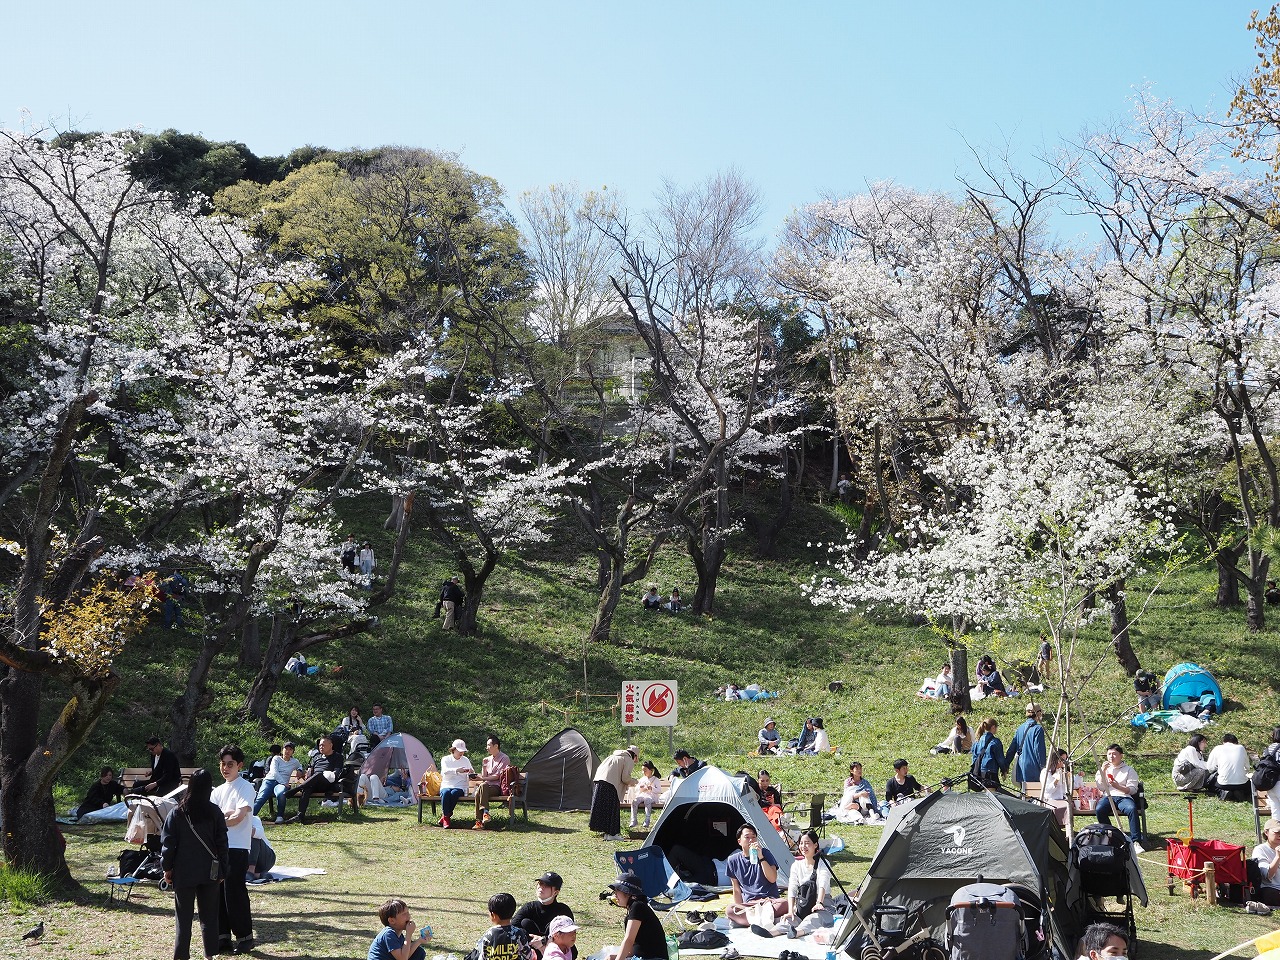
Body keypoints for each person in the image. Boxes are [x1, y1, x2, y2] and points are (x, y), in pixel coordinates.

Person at [161, 768, 229, 960]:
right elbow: (222, 843)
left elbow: (168, 844)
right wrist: (224, 869)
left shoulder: (177, 813)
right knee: (209, 918)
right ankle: (211, 955)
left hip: (184, 872)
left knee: (183, 919)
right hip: (210, 871)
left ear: (189, 786)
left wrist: (167, 868)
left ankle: (181, 956)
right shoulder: (215, 812)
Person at [212, 745, 255, 956]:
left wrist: (224, 817)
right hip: (217, 848)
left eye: (230, 764)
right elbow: (212, 820)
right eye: (223, 764)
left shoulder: (246, 787)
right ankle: (222, 938)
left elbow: (238, 817)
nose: (225, 768)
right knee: (217, 892)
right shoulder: (217, 791)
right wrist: (225, 816)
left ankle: (245, 938)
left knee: (234, 892)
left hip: (237, 847)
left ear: (239, 765)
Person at [755, 829, 833, 938]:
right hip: (804, 905)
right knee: (789, 919)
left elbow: (823, 883)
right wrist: (790, 910)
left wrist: (819, 902)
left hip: (823, 905)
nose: (803, 846)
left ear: (815, 845)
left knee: (811, 919)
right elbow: (792, 887)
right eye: (801, 843)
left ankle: (797, 932)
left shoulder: (823, 863)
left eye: (807, 843)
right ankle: (771, 933)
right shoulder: (796, 865)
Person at [725, 823, 786, 928]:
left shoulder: (765, 853)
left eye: (754, 837)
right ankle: (765, 920)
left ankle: (753, 920)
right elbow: (736, 889)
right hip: (750, 905)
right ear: (739, 841)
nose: (751, 840)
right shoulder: (733, 860)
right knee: (730, 910)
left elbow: (772, 879)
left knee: (785, 903)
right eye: (747, 837)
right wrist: (740, 907)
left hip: (769, 901)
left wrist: (761, 857)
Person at [281, 735, 342, 824]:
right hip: (314, 783)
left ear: (331, 745)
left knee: (319, 775)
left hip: (327, 784)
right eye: (320, 745)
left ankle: (298, 788)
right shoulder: (316, 757)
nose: (321, 747)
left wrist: (328, 774)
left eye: (323, 745)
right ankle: (300, 816)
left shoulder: (337, 757)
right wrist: (308, 772)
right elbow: (310, 770)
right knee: (307, 789)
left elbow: (336, 773)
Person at [512, 871, 575, 957]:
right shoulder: (529, 907)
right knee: (525, 923)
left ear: (555, 892)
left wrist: (544, 941)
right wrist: (533, 940)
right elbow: (512, 927)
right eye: (540, 883)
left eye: (547, 885)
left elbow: (569, 935)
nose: (541, 887)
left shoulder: (563, 911)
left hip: (556, 953)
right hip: (531, 951)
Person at [605, 873, 666, 960]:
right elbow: (631, 951)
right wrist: (614, 957)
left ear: (628, 893)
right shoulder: (634, 909)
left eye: (617, 890)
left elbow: (629, 940)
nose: (614, 894)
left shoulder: (637, 907)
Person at [1095, 743, 1143, 851]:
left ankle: (1136, 841)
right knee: (1099, 809)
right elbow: (1101, 787)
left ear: (1121, 755)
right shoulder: (1103, 769)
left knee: (1131, 809)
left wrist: (1118, 786)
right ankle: (1109, 837)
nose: (1111, 756)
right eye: (1109, 754)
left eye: (1114, 754)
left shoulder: (1129, 770)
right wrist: (1102, 771)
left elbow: (1132, 789)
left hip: (1123, 797)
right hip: (1108, 796)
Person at [589, 746, 637, 841]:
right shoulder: (627, 759)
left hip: (599, 782)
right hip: (611, 784)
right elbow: (625, 778)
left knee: (604, 808)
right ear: (634, 755)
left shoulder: (611, 756)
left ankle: (607, 833)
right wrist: (634, 781)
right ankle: (612, 833)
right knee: (612, 809)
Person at [469, 892, 533, 960]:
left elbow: (482, 957)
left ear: (493, 915)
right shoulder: (518, 933)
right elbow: (528, 955)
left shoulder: (489, 934)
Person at [253, 741, 302, 822]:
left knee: (281, 793)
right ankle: (250, 817)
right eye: (286, 749)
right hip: (269, 781)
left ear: (293, 752)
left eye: (290, 749)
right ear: (282, 750)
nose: (287, 751)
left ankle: (280, 816)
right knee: (261, 798)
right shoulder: (276, 758)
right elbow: (274, 772)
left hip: (281, 784)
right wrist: (284, 783)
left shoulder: (294, 761)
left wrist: (299, 770)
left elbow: (300, 765)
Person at [1005, 704, 1048, 787]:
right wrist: (1043, 768)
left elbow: (1011, 749)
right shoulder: (1038, 729)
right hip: (1033, 768)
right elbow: (1039, 750)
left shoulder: (1020, 728)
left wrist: (1006, 765)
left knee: (1024, 794)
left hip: (1020, 767)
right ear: (1038, 714)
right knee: (1034, 795)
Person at [474, 735, 512, 830]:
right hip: (485, 787)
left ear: (496, 746)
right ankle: (483, 817)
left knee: (482, 787)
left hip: (496, 787)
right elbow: (484, 776)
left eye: (489, 745)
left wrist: (484, 778)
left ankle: (482, 817)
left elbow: (498, 776)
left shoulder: (504, 758)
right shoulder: (488, 759)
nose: (487, 748)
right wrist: (483, 766)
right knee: (479, 791)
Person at [439, 739, 476, 829]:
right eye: (459, 751)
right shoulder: (445, 759)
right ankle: (447, 817)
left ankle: (445, 816)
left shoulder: (465, 760)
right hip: (447, 784)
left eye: (463, 751)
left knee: (454, 793)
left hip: (460, 786)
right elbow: (444, 771)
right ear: (453, 750)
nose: (461, 753)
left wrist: (471, 772)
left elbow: (471, 772)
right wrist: (456, 770)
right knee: (446, 792)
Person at [1207, 733, 1252, 801]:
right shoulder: (1241, 748)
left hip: (1223, 784)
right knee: (1248, 785)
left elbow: (1209, 767)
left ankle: (1223, 792)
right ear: (1236, 742)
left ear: (1223, 742)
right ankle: (1240, 792)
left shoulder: (1217, 748)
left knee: (1211, 784)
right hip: (1241, 784)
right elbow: (1247, 767)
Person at [1040, 749, 1073, 827]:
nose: (1064, 762)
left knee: (1068, 806)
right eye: (1062, 760)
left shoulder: (1063, 771)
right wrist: (1056, 780)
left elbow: (1072, 787)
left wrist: (1073, 778)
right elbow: (1048, 790)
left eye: (1065, 760)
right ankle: (1056, 829)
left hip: (1063, 800)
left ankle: (1068, 833)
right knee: (1064, 808)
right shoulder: (1046, 772)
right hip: (1051, 799)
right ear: (1056, 759)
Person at [1251, 820, 1280, 908]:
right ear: (1266, 832)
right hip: (1271, 888)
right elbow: (1267, 875)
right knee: (1270, 895)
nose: (1279, 835)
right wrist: (1277, 857)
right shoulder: (1260, 849)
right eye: (1276, 832)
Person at [971, 717, 1006, 788]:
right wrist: (1004, 770)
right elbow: (1000, 760)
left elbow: (974, 759)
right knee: (993, 795)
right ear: (993, 727)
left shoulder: (977, 741)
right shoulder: (995, 742)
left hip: (979, 773)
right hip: (991, 773)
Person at [630, 762, 662, 830]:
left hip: (652, 796)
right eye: (642, 770)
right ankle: (634, 820)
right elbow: (637, 789)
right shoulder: (642, 779)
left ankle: (647, 819)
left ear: (651, 770)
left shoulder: (655, 779)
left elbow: (659, 790)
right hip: (643, 795)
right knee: (634, 802)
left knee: (647, 800)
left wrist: (651, 788)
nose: (643, 772)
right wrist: (641, 787)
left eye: (645, 770)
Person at [245, 816, 276, 882]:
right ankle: (258, 875)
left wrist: (238, 827)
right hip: (243, 860)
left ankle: (251, 871)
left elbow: (259, 834)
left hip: (265, 858)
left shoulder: (254, 819)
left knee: (255, 835)